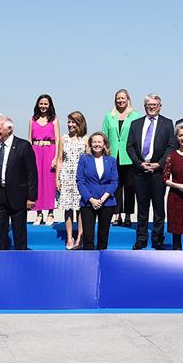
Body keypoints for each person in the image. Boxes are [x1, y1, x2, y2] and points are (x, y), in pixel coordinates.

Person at [0, 116, 39, 250]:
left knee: (19, 231)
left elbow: (32, 173)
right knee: (0, 231)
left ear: (9, 129)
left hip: (18, 195)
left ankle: (21, 259)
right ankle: (2, 258)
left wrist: (32, 197)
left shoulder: (23, 146)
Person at [126, 94, 174, 249]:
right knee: (142, 208)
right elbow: (130, 147)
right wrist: (140, 164)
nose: (152, 107)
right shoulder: (135, 124)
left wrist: (159, 164)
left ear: (160, 106)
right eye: (149, 104)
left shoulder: (167, 124)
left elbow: (170, 147)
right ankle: (141, 239)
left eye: (155, 104)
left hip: (158, 173)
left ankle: (158, 239)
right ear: (144, 106)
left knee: (159, 209)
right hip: (140, 172)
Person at [101, 89, 141, 227]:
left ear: (128, 99)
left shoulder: (135, 116)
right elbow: (104, 136)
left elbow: (138, 137)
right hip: (112, 157)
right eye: (118, 98)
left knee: (130, 187)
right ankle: (116, 214)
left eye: (123, 98)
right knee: (115, 186)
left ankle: (128, 214)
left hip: (129, 157)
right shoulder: (109, 116)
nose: (120, 100)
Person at [76, 132, 119, 250]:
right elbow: (80, 181)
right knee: (88, 236)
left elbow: (114, 182)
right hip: (88, 203)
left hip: (107, 202)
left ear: (104, 144)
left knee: (103, 236)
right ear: (90, 144)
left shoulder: (111, 160)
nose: (97, 144)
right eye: (94, 142)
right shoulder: (84, 159)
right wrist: (91, 199)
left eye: (99, 142)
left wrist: (102, 199)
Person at [56, 111, 88, 249]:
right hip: (66, 176)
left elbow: (88, 160)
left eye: (73, 122)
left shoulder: (86, 140)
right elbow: (59, 159)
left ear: (80, 123)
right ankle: (69, 237)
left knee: (81, 208)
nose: (70, 124)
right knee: (68, 208)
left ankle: (80, 238)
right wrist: (57, 179)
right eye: (69, 121)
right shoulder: (64, 139)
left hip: (81, 177)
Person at [29, 94, 61, 225]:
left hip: (50, 151)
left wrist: (56, 157)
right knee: (37, 183)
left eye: (46, 104)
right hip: (36, 151)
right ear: (38, 104)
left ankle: (51, 213)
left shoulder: (54, 120)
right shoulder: (32, 119)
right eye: (41, 104)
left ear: (50, 105)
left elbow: (58, 139)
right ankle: (38, 213)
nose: (43, 106)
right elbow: (29, 139)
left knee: (49, 183)